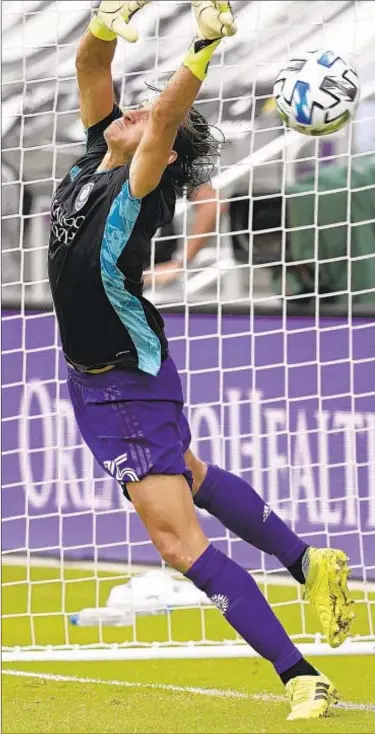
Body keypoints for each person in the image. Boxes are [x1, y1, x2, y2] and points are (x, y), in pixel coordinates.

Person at [48, 0, 354, 721]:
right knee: (185, 474)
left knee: (178, 545)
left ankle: (300, 676)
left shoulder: (140, 186)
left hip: (124, 379)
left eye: (147, 118)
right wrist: (101, 21)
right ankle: (306, 562)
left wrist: (201, 48)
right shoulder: (99, 153)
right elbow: (90, 66)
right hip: (94, 379)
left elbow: (158, 125)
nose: (130, 113)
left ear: (167, 152)